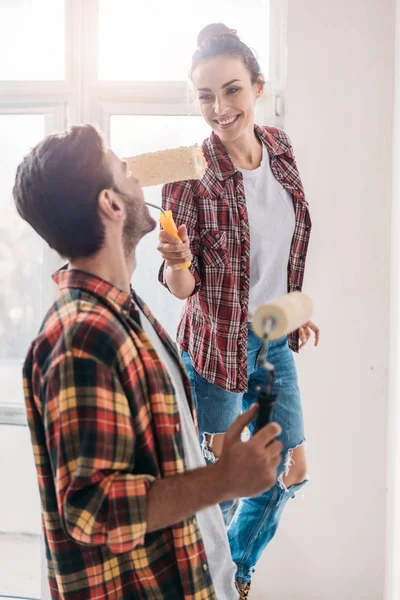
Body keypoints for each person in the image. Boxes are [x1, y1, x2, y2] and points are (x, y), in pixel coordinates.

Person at [13, 124, 283, 600]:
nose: (139, 178)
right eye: (124, 170)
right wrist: (223, 479)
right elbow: (91, 510)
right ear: (112, 205)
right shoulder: (81, 337)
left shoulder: (126, 311)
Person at [157, 23, 320, 599]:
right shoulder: (189, 172)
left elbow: (284, 247)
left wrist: (294, 308)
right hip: (214, 349)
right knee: (221, 487)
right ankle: (214, 584)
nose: (219, 109)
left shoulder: (280, 148)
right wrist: (177, 259)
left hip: (272, 337)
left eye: (231, 91)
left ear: (257, 86)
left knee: (288, 472)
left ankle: (229, 574)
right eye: (205, 96)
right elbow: (184, 286)